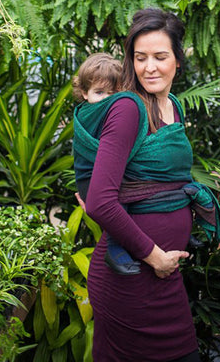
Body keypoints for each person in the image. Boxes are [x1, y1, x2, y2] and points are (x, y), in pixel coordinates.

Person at [81, 8, 220, 362]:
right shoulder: (128, 109)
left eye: (160, 57)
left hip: (162, 278)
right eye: (140, 58)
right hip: (131, 278)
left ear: (178, 61)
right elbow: (100, 203)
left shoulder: (174, 106)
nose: (149, 67)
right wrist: (155, 257)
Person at [72, 52, 141, 275]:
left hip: (102, 174)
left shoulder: (109, 108)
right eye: (99, 92)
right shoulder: (89, 113)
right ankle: (114, 247)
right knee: (120, 203)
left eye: (113, 93)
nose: (107, 99)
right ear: (84, 93)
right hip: (89, 179)